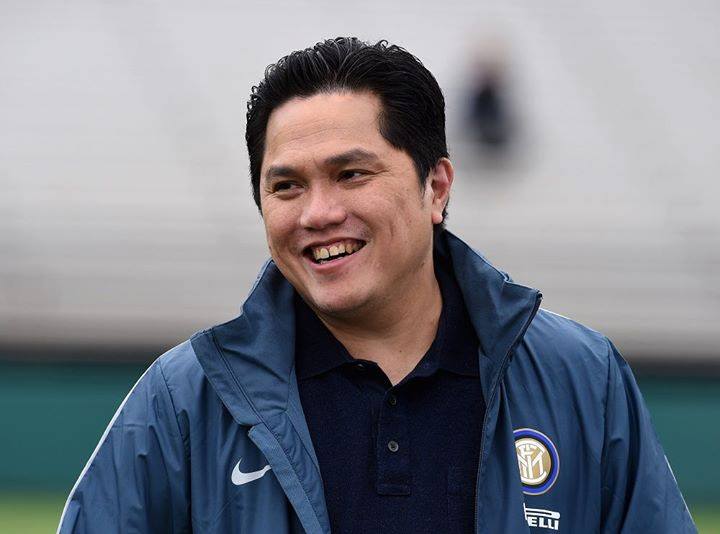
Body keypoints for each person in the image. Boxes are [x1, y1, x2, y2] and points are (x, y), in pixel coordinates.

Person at [57, 37, 696, 533]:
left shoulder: (581, 378)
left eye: (352, 175)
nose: (317, 214)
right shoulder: (183, 401)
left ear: (436, 187)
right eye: (287, 186)